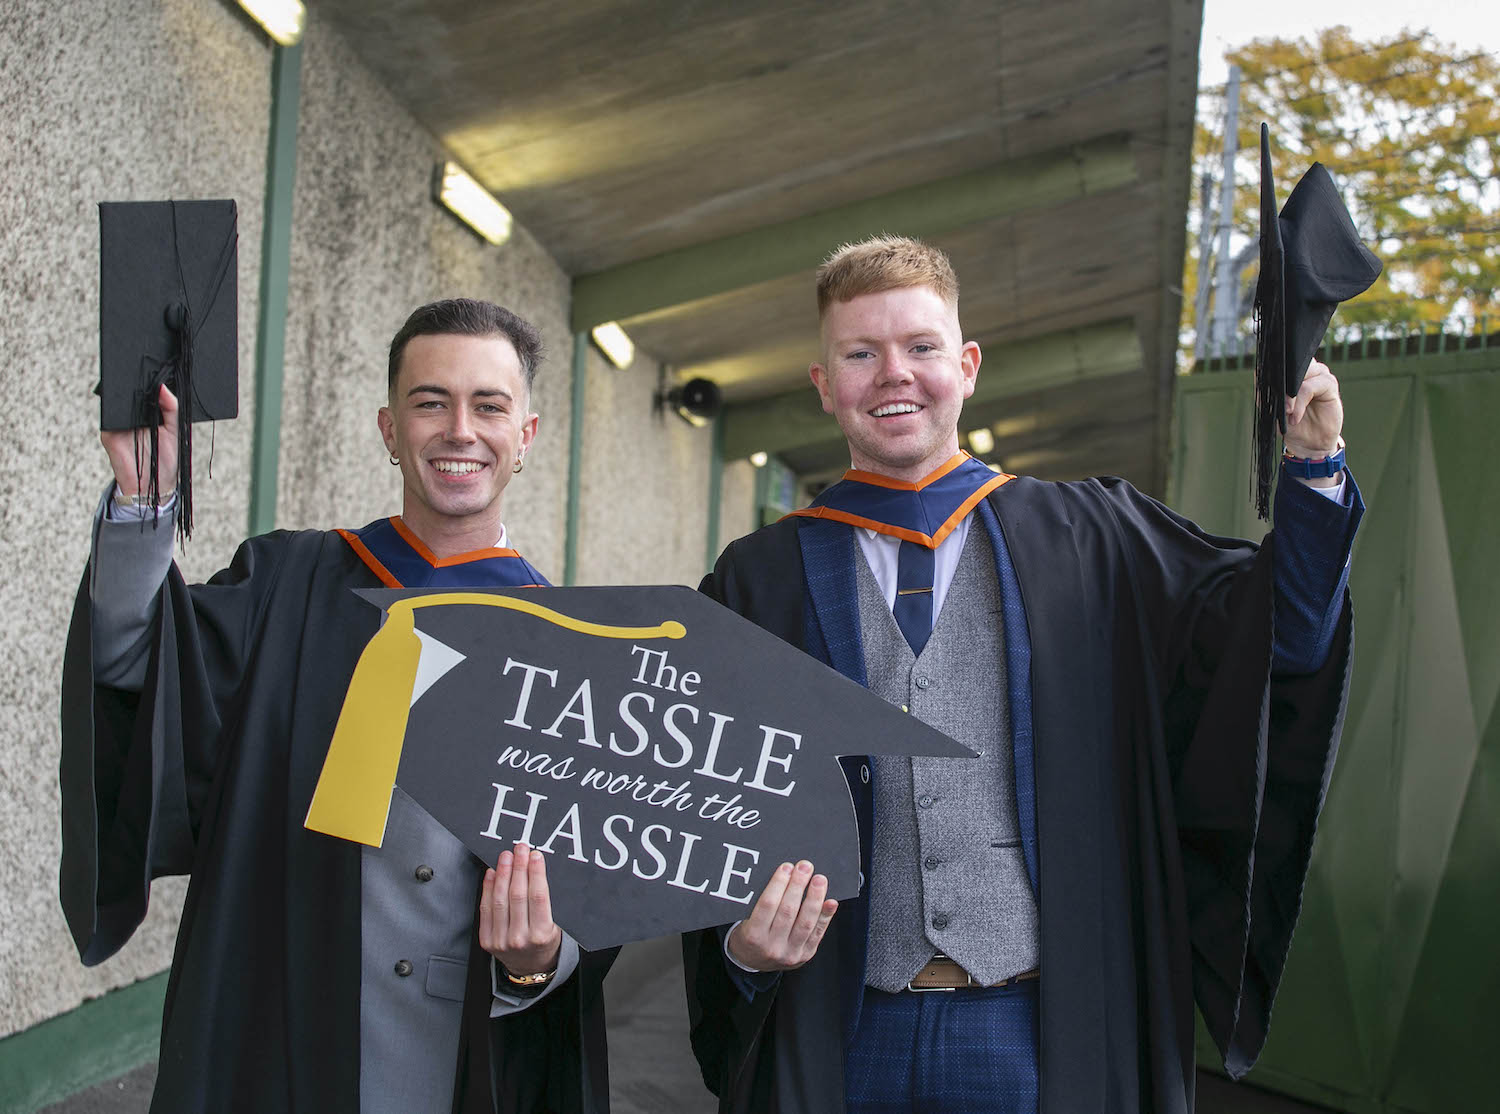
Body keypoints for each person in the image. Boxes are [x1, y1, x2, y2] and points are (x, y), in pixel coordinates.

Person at [683, 237, 1363, 1114]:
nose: (895, 374)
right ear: (824, 384)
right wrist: (738, 950)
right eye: (861, 353)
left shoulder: (1094, 539)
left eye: (921, 348)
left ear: (965, 367)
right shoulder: (758, 577)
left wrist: (1313, 469)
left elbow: (1279, 645)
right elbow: (695, 803)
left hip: (1033, 1034)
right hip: (838, 1029)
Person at [60, 299, 613, 1113]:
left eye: (489, 406)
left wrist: (540, 958)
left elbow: (609, 891)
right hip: (271, 1028)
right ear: (391, 430)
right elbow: (134, 668)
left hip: (457, 1056)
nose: (460, 429)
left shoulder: (574, 651)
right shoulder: (290, 585)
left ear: (524, 437)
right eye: (431, 402)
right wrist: (146, 505)